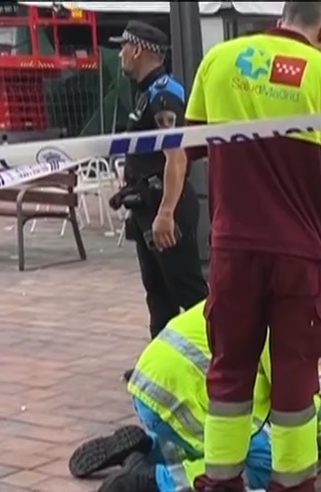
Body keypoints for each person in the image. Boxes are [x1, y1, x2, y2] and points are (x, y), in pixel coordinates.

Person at [184, 2, 321, 492]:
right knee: (294, 377)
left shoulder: (219, 59)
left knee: (230, 369)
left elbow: (189, 147)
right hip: (299, 256)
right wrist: (311, 219)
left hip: (233, 248)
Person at [68, 303, 321, 492]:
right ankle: (148, 481)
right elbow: (292, 399)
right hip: (178, 396)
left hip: (151, 386)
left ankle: (149, 449)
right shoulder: (282, 332)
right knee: (253, 465)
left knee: (223, 438)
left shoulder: (249, 303)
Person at [109, 21, 208, 342]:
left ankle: (213, 362)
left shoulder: (163, 95)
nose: (120, 53)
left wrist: (166, 213)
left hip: (165, 211)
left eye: (123, 46)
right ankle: (160, 363)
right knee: (158, 297)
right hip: (146, 208)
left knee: (190, 295)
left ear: (137, 49)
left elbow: (176, 158)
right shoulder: (146, 93)